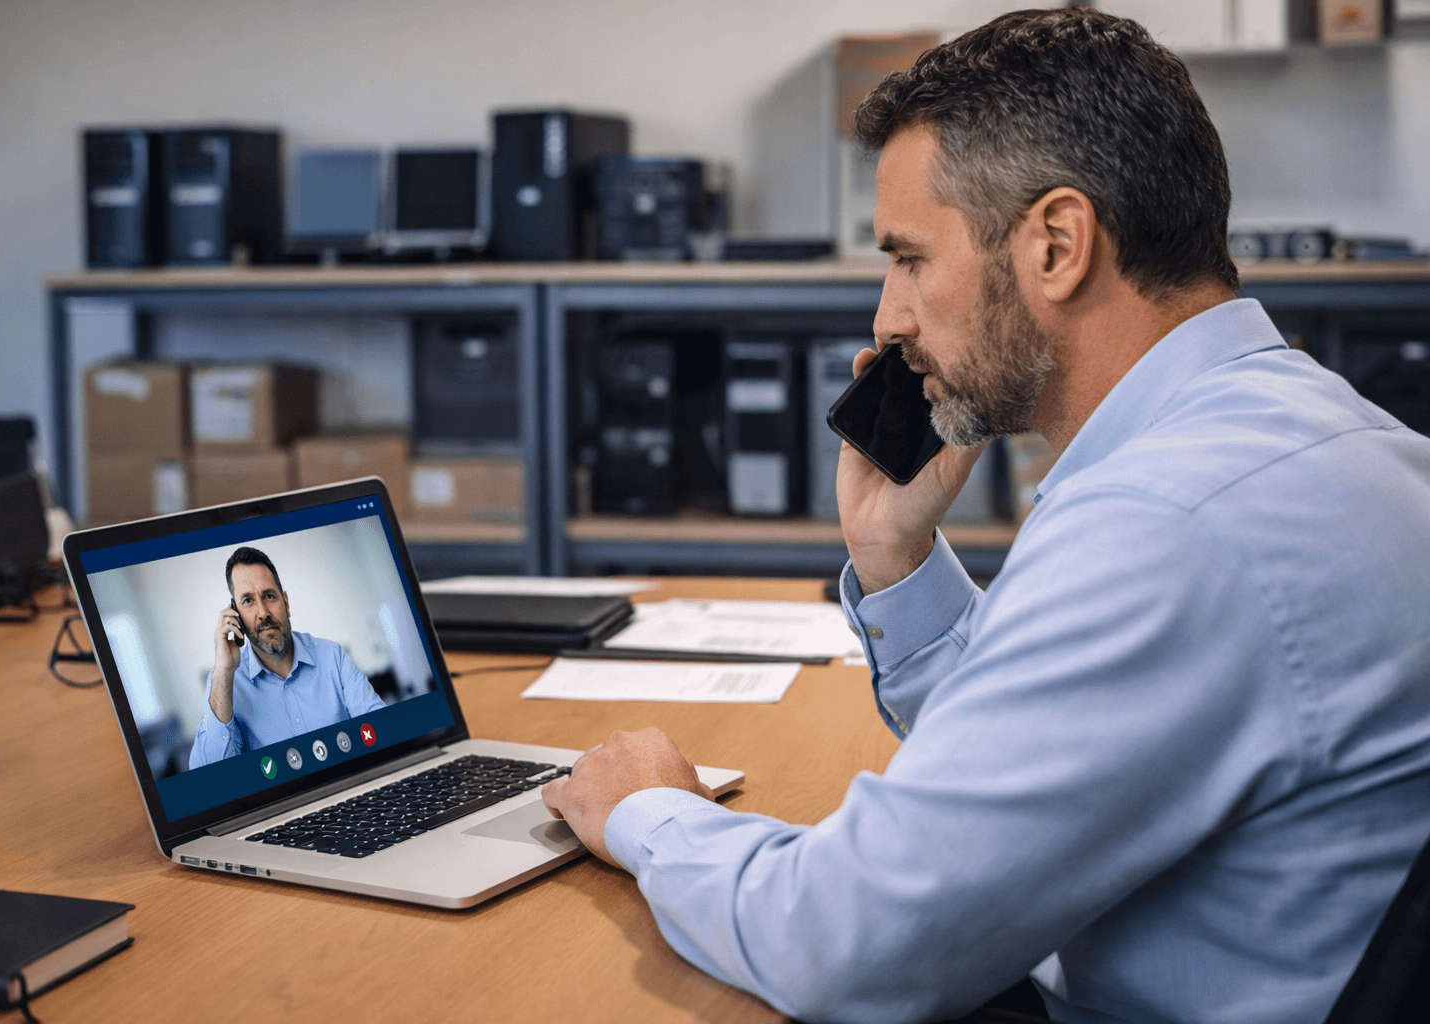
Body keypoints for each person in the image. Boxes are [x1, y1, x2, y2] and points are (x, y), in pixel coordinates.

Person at [541, 9, 1430, 1024]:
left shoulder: (1163, 525)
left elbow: (843, 941)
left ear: (1056, 243)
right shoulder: (1341, 441)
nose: (887, 318)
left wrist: (651, 810)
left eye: (909, 258)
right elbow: (1064, 751)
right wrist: (896, 558)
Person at [188, 547, 385, 768]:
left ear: (286, 603)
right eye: (248, 601)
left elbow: (382, 727)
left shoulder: (332, 656)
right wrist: (224, 672)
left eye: (269, 596)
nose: (263, 612)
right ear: (236, 616)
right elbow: (209, 775)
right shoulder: (225, 683)